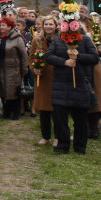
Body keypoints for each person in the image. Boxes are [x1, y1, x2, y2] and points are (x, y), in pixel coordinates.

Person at [46, 28, 99, 154]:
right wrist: (64, 62)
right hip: (61, 84)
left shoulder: (85, 40)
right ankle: (63, 144)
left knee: (80, 118)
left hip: (80, 84)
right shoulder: (58, 41)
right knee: (59, 116)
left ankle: (80, 146)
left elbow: (94, 58)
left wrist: (78, 56)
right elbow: (48, 56)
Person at [0, 17, 28, 120]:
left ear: (10, 27)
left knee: (13, 91)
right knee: (3, 91)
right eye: (0, 25)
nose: (1, 27)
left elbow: (23, 55)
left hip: (14, 69)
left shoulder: (17, 38)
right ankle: (6, 112)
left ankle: (15, 112)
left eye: (3, 25)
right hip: (0, 68)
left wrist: (24, 69)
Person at [30, 16, 57, 145]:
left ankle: (58, 136)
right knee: (44, 109)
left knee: (57, 109)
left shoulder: (61, 39)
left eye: (51, 24)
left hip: (57, 77)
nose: (48, 27)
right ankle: (46, 136)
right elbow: (30, 58)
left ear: (56, 26)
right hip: (42, 77)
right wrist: (34, 68)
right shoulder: (38, 40)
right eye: (46, 24)